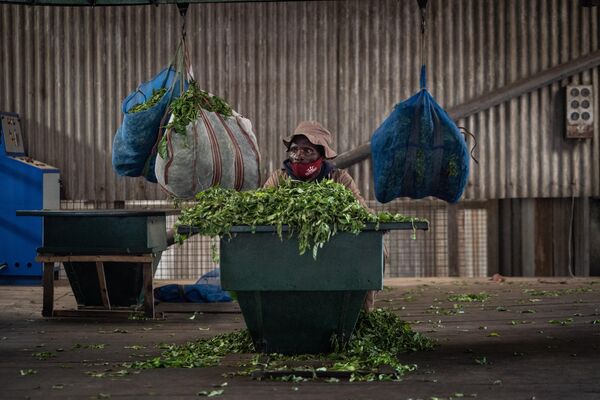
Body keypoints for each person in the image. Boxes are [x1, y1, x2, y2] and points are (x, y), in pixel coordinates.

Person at [263, 120, 378, 312]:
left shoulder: (338, 178)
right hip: (288, 252)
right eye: (294, 149)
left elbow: (361, 210)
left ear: (321, 155)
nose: (298, 155)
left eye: (307, 151)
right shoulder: (279, 179)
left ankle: (362, 314)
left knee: (375, 249)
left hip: (332, 251)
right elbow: (261, 206)